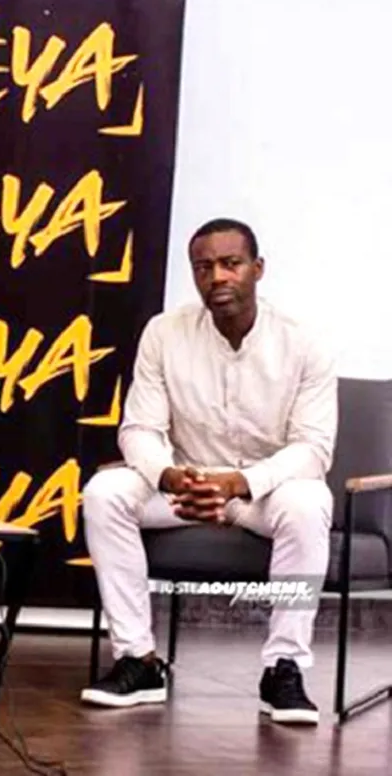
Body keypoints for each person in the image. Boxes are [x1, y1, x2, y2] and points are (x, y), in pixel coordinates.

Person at [80, 218, 336, 725]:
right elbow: (138, 430)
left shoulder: (304, 342)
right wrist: (171, 477)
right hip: (184, 486)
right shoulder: (164, 332)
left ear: (257, 270)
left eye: (231, 263)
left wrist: (240, 484)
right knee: (105, 491)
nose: (217, 276)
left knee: (310, 502)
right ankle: (139, 660)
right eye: (204, 267)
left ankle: (283, 667)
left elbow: (313, 449)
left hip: (262, 493)